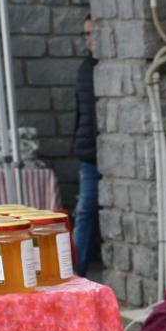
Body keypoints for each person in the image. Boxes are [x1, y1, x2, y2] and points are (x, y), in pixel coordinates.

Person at [72, 16, 99, 275]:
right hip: (90, 155)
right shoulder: (85, 69)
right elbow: (82, 115)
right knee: (85, 211)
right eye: (86, 34)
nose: (88, 39)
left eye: (92, 33)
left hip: (99, 152)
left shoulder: (101, 69)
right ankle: (76, 270)